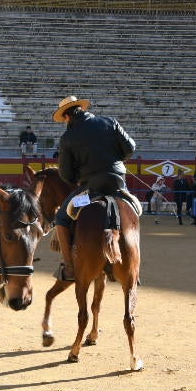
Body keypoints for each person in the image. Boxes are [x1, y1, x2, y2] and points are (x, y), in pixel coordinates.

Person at [52, 94, 136, 281]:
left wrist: (77, 175)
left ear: (67, 117)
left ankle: (69, 267)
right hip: (118, 185)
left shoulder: (68, 137)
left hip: (90, 192)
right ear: (81, 109)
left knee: (61, 218)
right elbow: (130, 148)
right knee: (134, 210)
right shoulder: (110, 122)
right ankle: (134, 266)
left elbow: (66, 175)